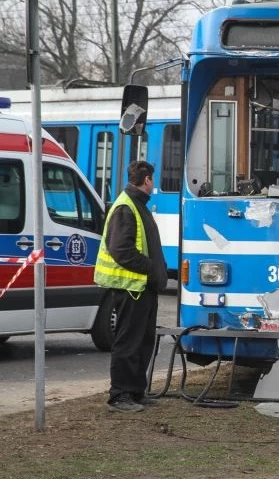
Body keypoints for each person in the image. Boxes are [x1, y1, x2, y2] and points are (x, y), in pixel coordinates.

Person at [94, 161, 168, 413]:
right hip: (131, 288)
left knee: (143, 342)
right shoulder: (126, 207)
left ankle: (136, 391)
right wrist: (150, 268)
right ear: (147, 179)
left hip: (143, 288)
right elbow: (121, 250)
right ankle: (120, 395)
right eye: (152, 179)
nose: (153, 184)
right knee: (128, 343)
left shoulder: (136, 205)